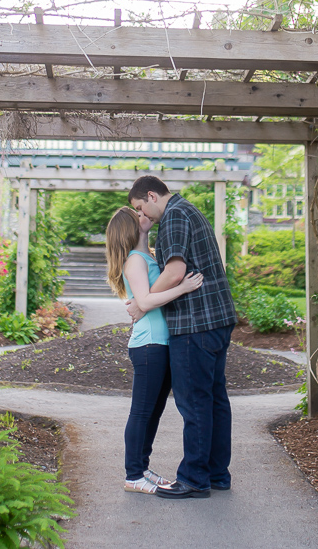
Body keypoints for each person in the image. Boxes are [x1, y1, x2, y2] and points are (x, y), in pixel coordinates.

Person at [127, 175, 237, 500]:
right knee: (215, 399)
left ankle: (193, 478)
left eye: (140, 208)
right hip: (217, 320)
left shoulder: (173, 215)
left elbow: (174, 271)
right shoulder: (189, 209)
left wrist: (140, 302)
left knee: (195, 401)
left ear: (150, 195)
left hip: (194, 323)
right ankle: (217, 474)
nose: (142, 216)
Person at [104, 206, 204, 494]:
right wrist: (182, 288)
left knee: (153, 412)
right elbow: (145, 302)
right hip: (148, 345)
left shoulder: (146, 255)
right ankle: (133, 475)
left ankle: (142, 467)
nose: (144, 214)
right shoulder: (135, 260)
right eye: (137, 215)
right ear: (130, 228)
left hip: (160, 344)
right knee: (141, 413)